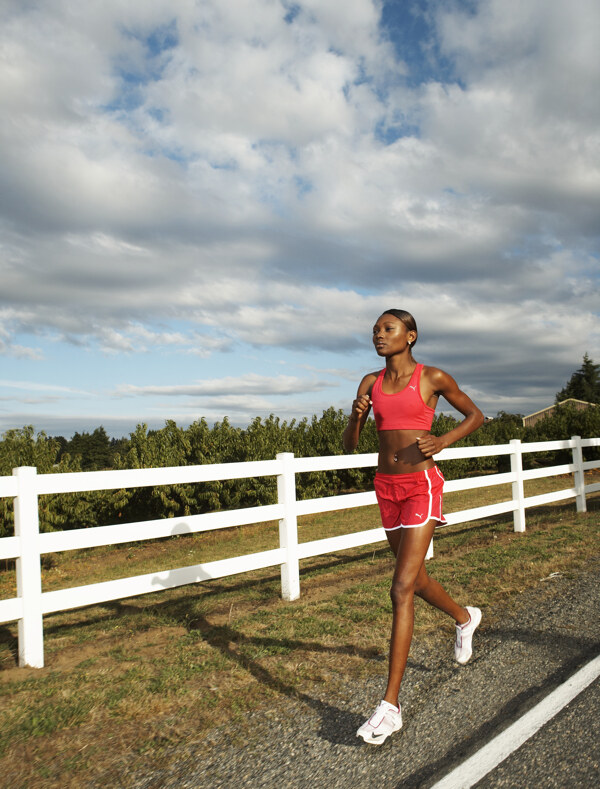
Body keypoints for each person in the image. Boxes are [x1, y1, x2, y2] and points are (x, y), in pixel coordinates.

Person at [342, 309, 484, 746]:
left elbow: (475, 416)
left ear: (411, 335)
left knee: (400, 588)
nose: (378, 335)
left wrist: (442, 440)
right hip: (385, 488)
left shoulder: (432, 377)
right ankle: (464, 617)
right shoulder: (369, 383)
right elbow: (350, 446)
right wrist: (356, 417)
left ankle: (390, 707)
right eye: (375, 330)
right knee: (415, 578)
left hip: (422, 485)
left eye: (388, 329)